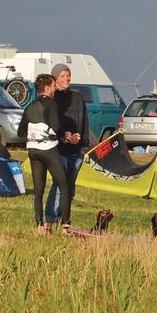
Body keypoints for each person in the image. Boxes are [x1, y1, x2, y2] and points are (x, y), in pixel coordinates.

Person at [22, 72, 70, 233]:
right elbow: (56, 127)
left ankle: (39, 225)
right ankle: (65, 225)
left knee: (38, 190)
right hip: (48, 149)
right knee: (64, 185)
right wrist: (65, 136)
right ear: (48, 88)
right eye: (54, 86)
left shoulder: (29, 106)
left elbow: (21, 131)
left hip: (33, 151)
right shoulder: (51, 104)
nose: (55, 89)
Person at [49, 63, 87, 221]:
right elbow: (52, 123)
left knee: (70, 186)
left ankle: (63, 218)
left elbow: (84, 121)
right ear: (55, 78)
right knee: (60, 183)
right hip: (59, 149)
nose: (66, 78)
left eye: (68, 75)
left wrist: (83, 144)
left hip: (77, 150)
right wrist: (65, 138)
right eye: (63, 76)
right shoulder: (52, 98)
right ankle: (50, 217)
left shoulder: (77, 97)